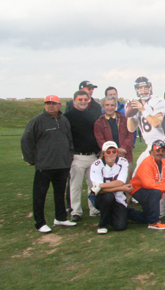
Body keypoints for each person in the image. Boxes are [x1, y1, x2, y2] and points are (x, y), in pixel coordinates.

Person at [21, 95, 77, 233]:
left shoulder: (64, 120)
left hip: (62, 164)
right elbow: (26, 140)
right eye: (48, 103)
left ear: (59, 105)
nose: (50, 106)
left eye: (54, 103)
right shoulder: (37, 121)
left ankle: (60, 218)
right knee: (40, 195)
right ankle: (40, 222)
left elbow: (69, 140)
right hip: (45, 165)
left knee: (60, 193)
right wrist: (31, 159)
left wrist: (69, 156)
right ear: (44, 105)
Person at [89, 141, 145, 234]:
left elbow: (120, 182)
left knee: (120, 226)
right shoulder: (97, 165)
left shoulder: (123, 162)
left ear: (117, 152)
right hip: (101, 198)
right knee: (108, 196)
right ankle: (102, 225)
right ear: (103, 153)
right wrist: (121, 189)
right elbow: (100, 191)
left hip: (118, 198)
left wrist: (101, 185)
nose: (111, 154)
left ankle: (118, 213)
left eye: (114, 151)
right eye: (108, 152)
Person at [65, 90, 102, 221]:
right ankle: (76, 211)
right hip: (77, 156)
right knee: (75, 186)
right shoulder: (68, 117)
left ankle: (93, 209)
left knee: (93, 185)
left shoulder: (92, 116)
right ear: (74, 100)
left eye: (85, 99)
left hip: (92, 156)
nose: (82, 102)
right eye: (80, 99)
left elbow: (95, 135)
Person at [126, 76, 165, 163]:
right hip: (150, 146)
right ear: (136, 89)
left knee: (153, 170)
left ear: (150, 88)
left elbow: (156, 123)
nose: (143, 90)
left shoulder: (158, 101)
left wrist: (142, 109)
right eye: (140, 88)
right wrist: (130, 115)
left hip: (163, 144)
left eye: (146, 87)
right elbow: (131, 129)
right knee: (137, 172)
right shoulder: (135, 102)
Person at [128, 140, 165, 230]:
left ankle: (125, 213)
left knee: (146, 217)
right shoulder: (147, 163)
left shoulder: (164, 162)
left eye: (163, 150)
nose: (160, 152)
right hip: (137, 189)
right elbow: (147, 184)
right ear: (151, 151)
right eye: (157, 150)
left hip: (150, 189)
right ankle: (154, 222)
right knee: (156, 193)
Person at [94, 96, 135, 179]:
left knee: (126, 184)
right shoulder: (99, 123)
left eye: (112, 105)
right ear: (103, 106)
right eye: (107, 105)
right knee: (111, 184)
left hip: (125, 156)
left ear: (115, 106)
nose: (110, 108)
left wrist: (123, 149)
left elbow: (130, 135)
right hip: (109, 158)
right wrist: (115, 151)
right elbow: (100, 140)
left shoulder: (124, 120)